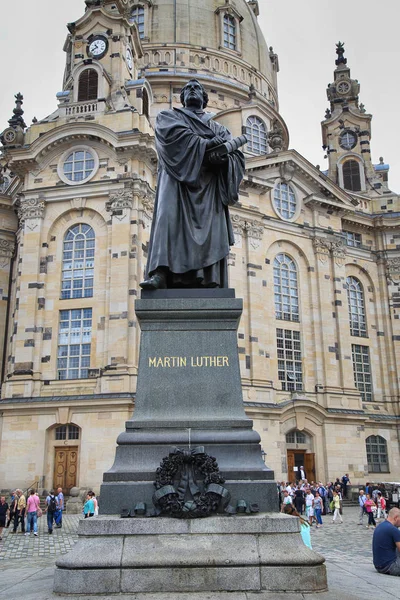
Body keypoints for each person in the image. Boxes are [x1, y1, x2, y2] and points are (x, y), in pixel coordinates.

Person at [140, 79, 245, 290]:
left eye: (197, 88)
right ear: (182, 97)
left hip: (208, 186)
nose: (192, 91)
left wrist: (224, 159)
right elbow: (173, 140)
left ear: (205, 99)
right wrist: (206, 144)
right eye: (188, 88)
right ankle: (160, 273)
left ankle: (209, 279)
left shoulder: (219, 128)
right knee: (167, 219)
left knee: (211, 229)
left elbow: (236, 158)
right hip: (176, 181)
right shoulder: (168, 117)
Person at [372, 507, 400, 576]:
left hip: (379, 566)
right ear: (396, 518)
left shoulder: (380, 526)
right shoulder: (393, 530)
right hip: (390, 566)